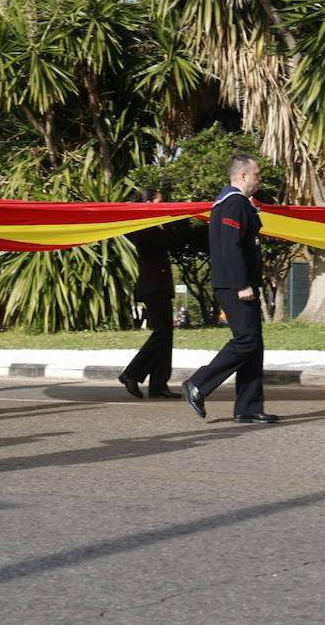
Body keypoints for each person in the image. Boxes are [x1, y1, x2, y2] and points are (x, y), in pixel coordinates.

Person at [182, 155, 277, 424]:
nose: (260, 179)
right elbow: (231, 246)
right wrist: (242, 284)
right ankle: (198, 384)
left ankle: (248, 407)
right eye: (257, 174)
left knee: (254, 344)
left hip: (239, 282)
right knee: (246, 340)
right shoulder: (233, 203)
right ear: (244, 176)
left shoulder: (235, 202)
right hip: (235, 284)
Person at [118, 188, 191, 399]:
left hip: (159, 286)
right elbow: (170, 240)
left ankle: (159, 384)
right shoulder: (144, 225)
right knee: (161, 334)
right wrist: (167, 217)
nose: (163, 204)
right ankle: (131, 373)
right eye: (160, 201)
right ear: (149, 203)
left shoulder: (151, 224)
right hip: (152, 286)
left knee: (166, 334)